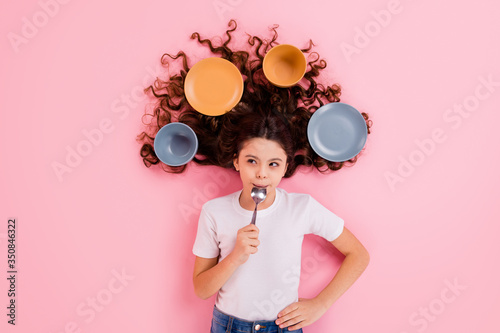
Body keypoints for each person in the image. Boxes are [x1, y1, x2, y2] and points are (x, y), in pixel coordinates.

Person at [137, 20, 372, 332]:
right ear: (236, 161)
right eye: (252, 161)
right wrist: (235, 256)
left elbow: (358, 254)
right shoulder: (214, 212)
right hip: (227, 325)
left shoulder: (301, 208)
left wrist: (320, 303)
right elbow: (201, 288)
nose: (261, 173)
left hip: (282, 327)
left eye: (273, 164)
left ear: (286, 166)